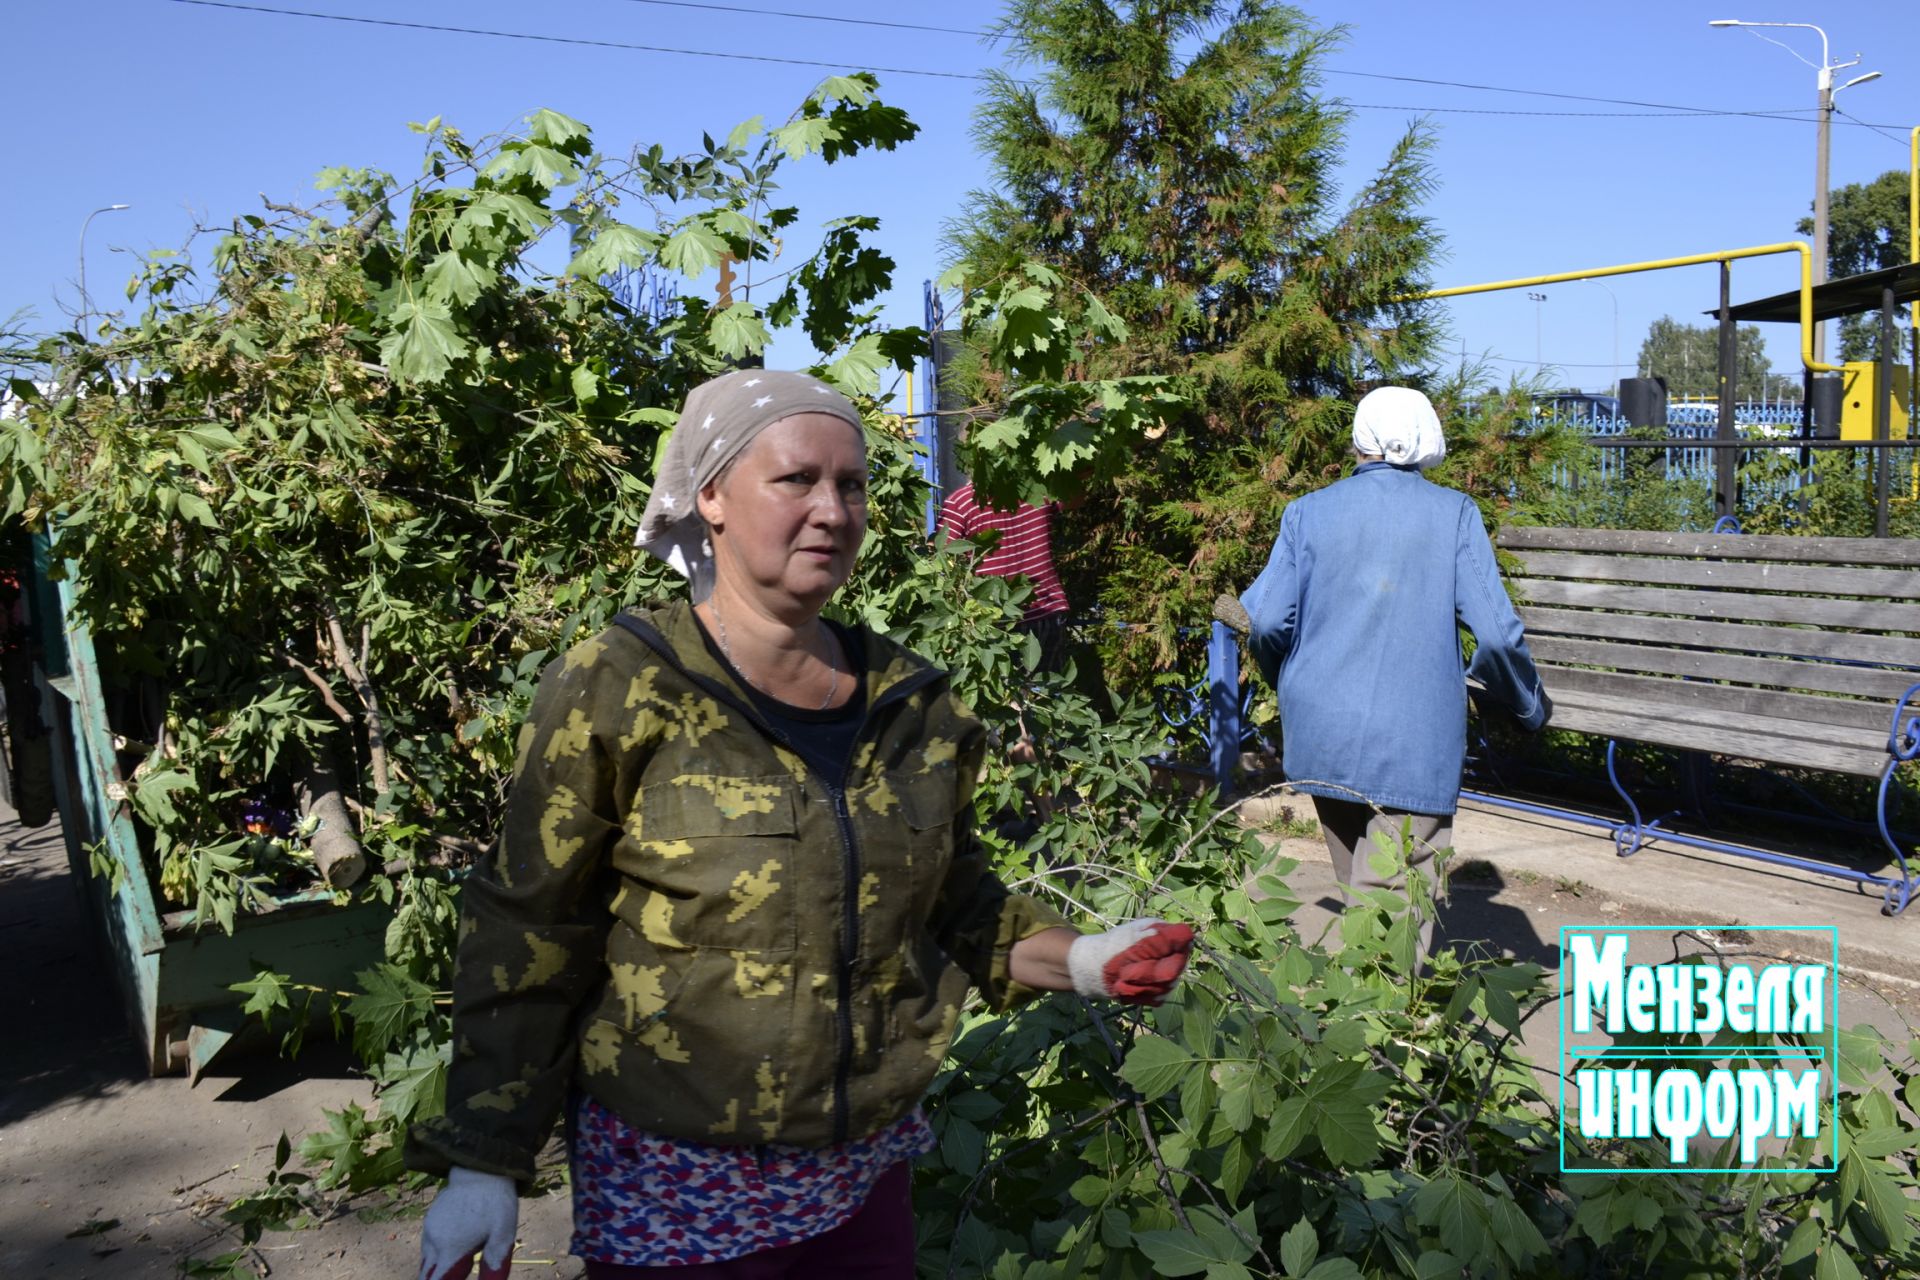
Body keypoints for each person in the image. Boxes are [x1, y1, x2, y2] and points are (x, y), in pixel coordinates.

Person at [408, 369, 1196, 1280]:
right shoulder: (623, 684)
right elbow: (530, 923)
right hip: (677, 1185)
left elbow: (960, 908)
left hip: (863, 1179)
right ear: (711, 496)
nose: (832, 509)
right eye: (796, 480)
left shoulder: (913, 705)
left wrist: (1090, 961)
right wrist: (482, 1158)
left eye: (851, 485)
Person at [1237, 386, 1549, 959]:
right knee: (1392, 911)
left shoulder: (1306, 512)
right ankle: (1382, 1037)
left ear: (1359, 439)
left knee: (1360, 890)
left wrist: (1292, 678)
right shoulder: (1453, 514)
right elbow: (1499, 637)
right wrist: (1529, 706)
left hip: (1321, 730)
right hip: (1414, 740)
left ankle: (1345, 1030)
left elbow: (1264, 624)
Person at [937, 482, 1071, 674]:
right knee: (1045, 691)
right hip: (1045, 607)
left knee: (1004, 697)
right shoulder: (1037, 488)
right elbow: (1075, 498)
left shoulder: (960, 503)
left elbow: (941, 559)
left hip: (994, 620)